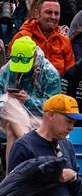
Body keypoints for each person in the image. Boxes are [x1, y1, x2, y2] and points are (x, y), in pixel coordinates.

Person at [6, 94, 82, 195]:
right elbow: (12, 189)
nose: (72, 128)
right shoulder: (24, 146)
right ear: (51, 115)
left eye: (74, 123)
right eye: (69, 121)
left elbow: (80, 190)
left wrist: (73, 176)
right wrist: (50, 177)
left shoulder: (67, 145)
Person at [0, 36, 61, 164]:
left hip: (39, 120)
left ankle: (11, 177)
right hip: (9, 115)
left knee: (12, 129)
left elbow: (53, 107)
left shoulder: (50, 73)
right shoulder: (7, 69)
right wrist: (7, 98)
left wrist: (28, 100)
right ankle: (31, 146)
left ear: (34, 56)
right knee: (11, 103)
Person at [12, 0, 75, 76]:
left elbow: (70, 73)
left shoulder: (64, 41)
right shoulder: (23, 36)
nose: (53, 17)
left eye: (56, 13)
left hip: (58, 86)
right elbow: (13, 70)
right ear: (37, 14)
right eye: (48, 12)